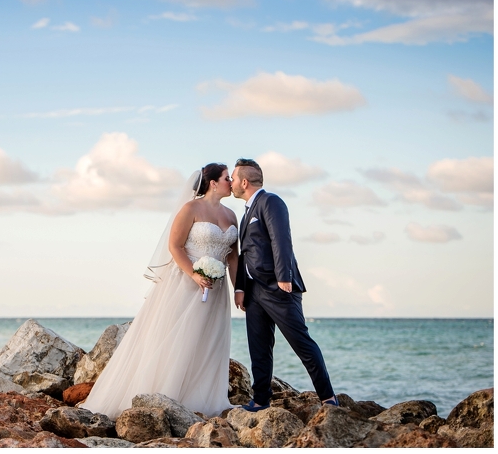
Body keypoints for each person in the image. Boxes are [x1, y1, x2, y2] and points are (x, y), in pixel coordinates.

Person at [80, 163, 238, 418]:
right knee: (178, 338)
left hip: (216, 291)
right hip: (186, 284)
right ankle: (166, 395)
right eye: (227, 178)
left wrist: (238, 288)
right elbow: (175, 246)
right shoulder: (190, 209)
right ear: (212, 183)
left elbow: (233, 258)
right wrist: (195, 274)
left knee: (209, 341)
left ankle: (202, 398)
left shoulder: (231, 216)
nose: (231, 182)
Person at [231, 158, 338, 411]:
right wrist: (240, 288)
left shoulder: (271, 201)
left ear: (244, 182)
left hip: (278, 287)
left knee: (302, 343)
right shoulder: (246, 212)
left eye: (233, 178)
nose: (231, 183)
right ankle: (260, 400)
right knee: (259, 347)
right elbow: (244, 254)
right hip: (254, 291)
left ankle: (328, 398)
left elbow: (282, 239)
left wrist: (284, 277)